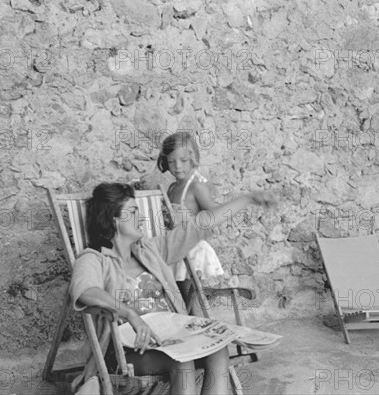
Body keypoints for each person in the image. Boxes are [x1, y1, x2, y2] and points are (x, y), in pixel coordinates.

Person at [69, 182, 276, 395]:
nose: (141, 218)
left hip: (171, 339)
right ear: (114, 218)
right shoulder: (94, 258)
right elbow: (86, 291)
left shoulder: (150, 250)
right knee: (182, 363)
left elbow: (201, 225)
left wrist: (248, 199)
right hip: (127, 351)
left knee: (219, 350)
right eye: (133, 212)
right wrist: (129, 313)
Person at [157, 133, 224, 311]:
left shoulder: (196, 187)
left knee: (190, 297)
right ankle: (187, 329)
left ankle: (200, 329)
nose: (177, 166)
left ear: (193, 158)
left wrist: (189, 219)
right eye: (171, 162)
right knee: (176, 297)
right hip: (176, 247)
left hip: (191, 249)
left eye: (183, 160)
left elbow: (213, 217)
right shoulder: (172, 188)